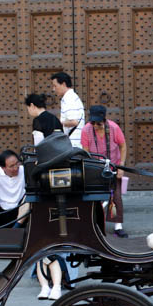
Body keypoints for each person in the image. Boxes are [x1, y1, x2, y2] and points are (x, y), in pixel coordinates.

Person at [79, 105, 128, 237]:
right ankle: (94, 223)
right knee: (95, 195)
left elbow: (123, 146)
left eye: (98, 123)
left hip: (114, 164)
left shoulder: (113, 128)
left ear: (104, 120)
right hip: (95, 166)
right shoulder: (86, 130)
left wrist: (121, 166)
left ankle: (118, 226)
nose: (95, 126)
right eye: (93, 122)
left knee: (116, 196)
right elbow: (85, 151)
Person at [51, 71, 85, 148]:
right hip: (74, 143)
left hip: (73, 144)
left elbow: (74, 122)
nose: (53, 89)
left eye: (55, 86)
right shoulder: (71, 97)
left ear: (63, 84)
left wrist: (60, 123)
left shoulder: (69, 98)